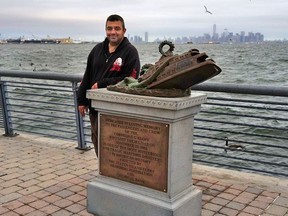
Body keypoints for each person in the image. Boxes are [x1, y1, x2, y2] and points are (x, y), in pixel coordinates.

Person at [77, 14, 140, 157]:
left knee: (116, 146)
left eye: (117, 28)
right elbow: (88, 75)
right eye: (109, 28)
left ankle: (117, 176)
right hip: (95, 108)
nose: (113, 32)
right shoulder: (97, 50)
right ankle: (103, 173)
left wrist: (102, 84)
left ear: (124, 31)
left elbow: (131, 80)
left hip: (116, 110)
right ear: (105, 30)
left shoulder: (130, 52)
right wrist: (81, 100)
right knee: (98, 141)